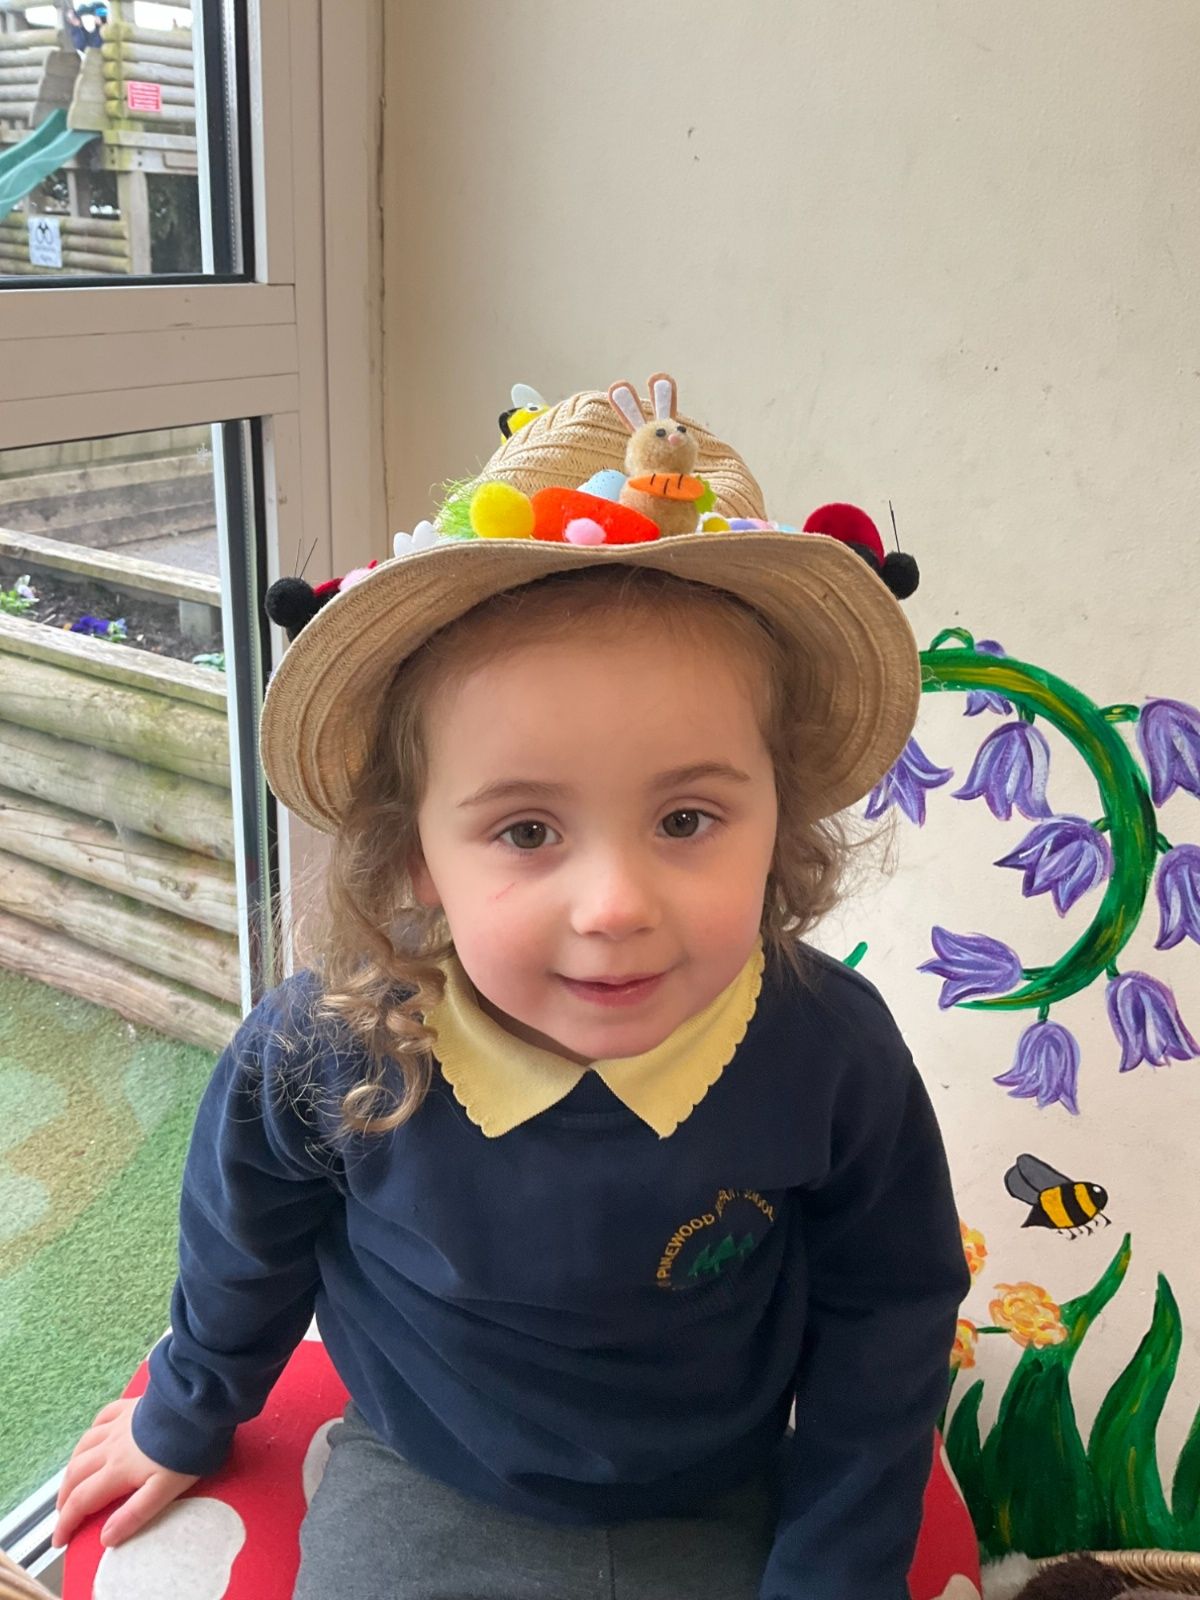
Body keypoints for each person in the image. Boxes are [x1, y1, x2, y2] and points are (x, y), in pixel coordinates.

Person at [50, 384, 969, 1599]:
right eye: (528, 829)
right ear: (416, 856)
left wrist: (838, 1566)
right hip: (421, 1468)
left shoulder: (829, 1051)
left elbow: (891, 1304)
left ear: (778, 819)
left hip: (722, 1479)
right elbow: (245, 1241)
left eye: (687, 818)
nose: (614, 905)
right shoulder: (329, 1045)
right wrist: (187, 1409)